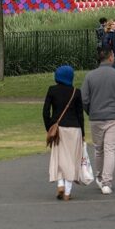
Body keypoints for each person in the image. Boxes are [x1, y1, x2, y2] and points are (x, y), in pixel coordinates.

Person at [81, 49, 115, 195]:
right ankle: (106, 182)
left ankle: (100, 176)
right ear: (110, 58)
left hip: (96, 117)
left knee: (99, 149)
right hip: (113, 116)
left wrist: (91, 111)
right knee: (110, 149)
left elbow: (84, 99)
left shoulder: (90, 76)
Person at [43, 65, 84, 201]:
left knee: (59, 157)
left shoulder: (52, 90)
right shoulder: (76, 92)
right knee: (72, 159)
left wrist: (49, 127)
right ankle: (68, 191)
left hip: (59, 128)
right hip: (74, 128)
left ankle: (60, 184)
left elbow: (45, 112)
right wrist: (83, 133)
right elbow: (80, 114)